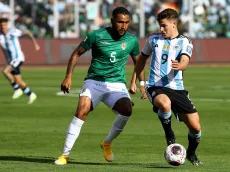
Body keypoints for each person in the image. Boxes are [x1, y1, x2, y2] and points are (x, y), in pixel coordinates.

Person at [54, 6, 146, 165]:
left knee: (127, 110)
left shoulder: (132, 40)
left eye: (126, 22)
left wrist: (142, 83)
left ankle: (107, 142)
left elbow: (139, 62)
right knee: (81, 110)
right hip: (94, 82)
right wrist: (68, 77)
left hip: (116, 85)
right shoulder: (96, 35)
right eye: (119, 22)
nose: (123, 26)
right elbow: (76, 53)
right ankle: (65, 155)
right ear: (112, 21)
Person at [129, 8, 203, 166]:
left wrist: (180, 65)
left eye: (164, 26)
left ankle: (191, 153)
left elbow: (185, 61)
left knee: (196, 128)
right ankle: (169, 135)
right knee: (164, 103)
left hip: (177, 88)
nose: (161, 29)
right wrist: (136, 80)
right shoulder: (153, 39)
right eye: (159, 26)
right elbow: (141, 59)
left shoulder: (185, 41)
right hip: (155, 86)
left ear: (174, 23)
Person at [0, 17, 40, 104]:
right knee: (18, 80)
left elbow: (27, 32)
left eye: (4, 25)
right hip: (11, 60)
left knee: (6, 71)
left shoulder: (13, 32)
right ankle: (31, 94)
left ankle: (16, 89)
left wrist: (35, 44)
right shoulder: (1, 36)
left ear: (7, 25)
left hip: (18, 58)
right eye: (1, 25)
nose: (3, 27)